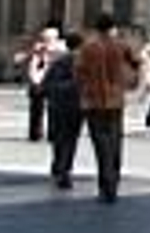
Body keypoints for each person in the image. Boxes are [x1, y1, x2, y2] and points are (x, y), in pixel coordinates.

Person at [74, 13, 140, 203]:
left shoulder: (88, 47)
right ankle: (114, 182)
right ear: (112, 28)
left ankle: (106, 186)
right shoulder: (121, 45)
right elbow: (136, 61)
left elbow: (78, 73)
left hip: (93, 102)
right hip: (116, 101)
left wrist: (84, 90)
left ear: (96, 29)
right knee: (115, 142)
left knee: (101, 146)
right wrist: (129, 80)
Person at [44, 32, 84, 190]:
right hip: (73, 106)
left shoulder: (57, 61)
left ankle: (58, 166)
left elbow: (47, 83)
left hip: (56, 105)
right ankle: (64, 170)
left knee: (59, 139)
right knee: (70, 139)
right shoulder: (77, 62)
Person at [24, 26, 65, 142]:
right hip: (36, 81)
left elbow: (60, 56)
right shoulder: (38, 48)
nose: (46, 39)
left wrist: (49, 52)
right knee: (36, 110)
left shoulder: (60, 48)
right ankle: (35, 133)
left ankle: (53, 133)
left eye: (48, 37)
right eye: (45, 37)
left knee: (53, 110)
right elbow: (31, 64)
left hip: (51, 82)